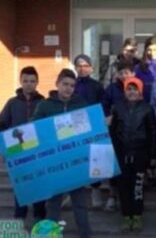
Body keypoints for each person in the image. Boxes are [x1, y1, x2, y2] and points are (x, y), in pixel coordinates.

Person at [32, 69, 91, 238]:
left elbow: (89, 129)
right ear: (57, 84)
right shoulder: (45, 105)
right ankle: (51, 235)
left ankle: (86, 235)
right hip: (54, 162)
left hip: (75, 161)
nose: (68, 88)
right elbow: (34, 128)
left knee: (80, 202)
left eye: (72, 85)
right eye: (65, 84)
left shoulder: (81, 104)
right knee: (53, 204)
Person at [109, 77, 156, 232]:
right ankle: (126, 215)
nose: (132, 92)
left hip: (140, 154)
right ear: (124, 91)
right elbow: (113, 131)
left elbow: (152, 133)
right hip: (122, 154)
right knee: (123, 187)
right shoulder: (117, 108)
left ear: (140, 91)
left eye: (135, 89)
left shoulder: (147, 109)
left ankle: (137, 215)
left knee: (137, 187)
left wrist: (152, 156)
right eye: (129, 89)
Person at [0, 66, 46, 223]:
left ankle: (40, 220)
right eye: (25, 80)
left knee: (39, 187)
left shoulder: (43, 102)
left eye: (32, 81)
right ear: (20, 81)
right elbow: (3, 124)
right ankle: (19, 222)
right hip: (18, 153)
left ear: (37, 83)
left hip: (38, 152)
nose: (28, 84)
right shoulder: (12, 103)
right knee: (21, 188)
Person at [102, 60, 136, 211]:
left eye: (126, 73)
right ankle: (112, 195)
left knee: (133, 167)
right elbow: (104, 105)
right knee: (114, 165)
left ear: (133, 74)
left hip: (134, 133)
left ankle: (134, 198)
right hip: (116, 132)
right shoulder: (111, 89)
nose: (123, 76)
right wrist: (107, 117)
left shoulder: (137, 87)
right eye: (120, 73)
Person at [73, 54, 105, 208]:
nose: (82, 68)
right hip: (73, 128)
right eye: (79, 65)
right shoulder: (71, 85)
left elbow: (102, 106)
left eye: (86, 65)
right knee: (77, 159)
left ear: (91, 68)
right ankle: (75, 191)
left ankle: (96, 190)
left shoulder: (97, 86)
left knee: (94, 159)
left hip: (93, 127)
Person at [135, 36, 156, 103]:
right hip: (144, 104)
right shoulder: (138, 68)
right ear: (145, 51)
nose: (152, 52)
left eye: (155, 50)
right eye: (149, 50)